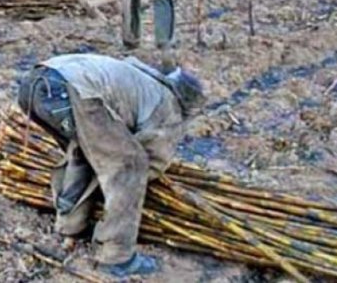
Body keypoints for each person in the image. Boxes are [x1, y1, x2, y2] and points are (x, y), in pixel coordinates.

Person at [17, 53, 205, 278]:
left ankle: (71, 225)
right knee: (130, 166)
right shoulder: (169, 104)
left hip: (34, 87)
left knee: (85, 151)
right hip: (69, 91)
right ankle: (116, 255)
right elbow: (151, 162)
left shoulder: (144, 81)